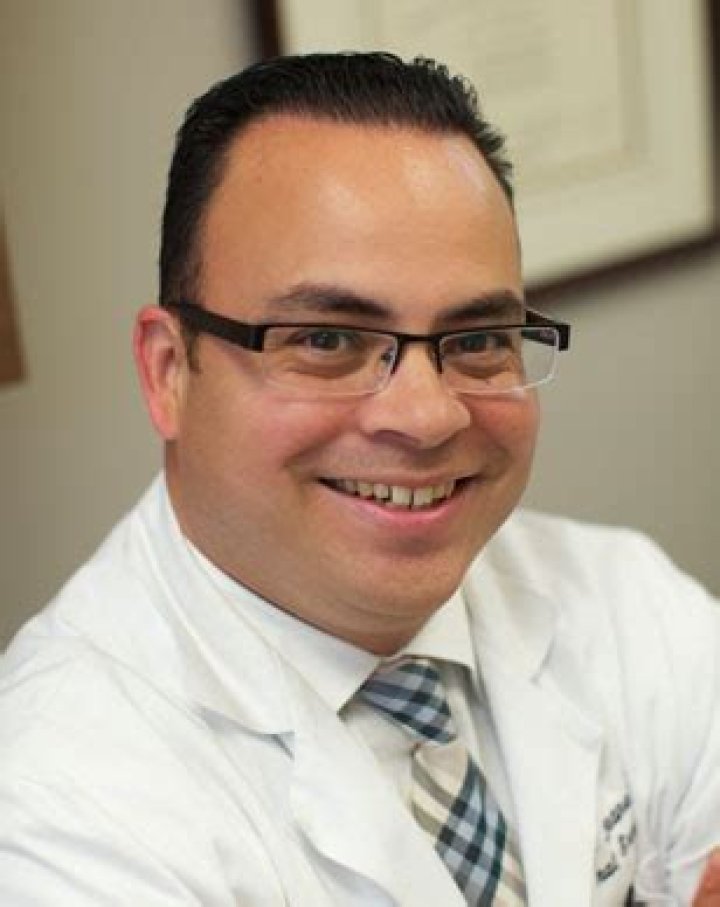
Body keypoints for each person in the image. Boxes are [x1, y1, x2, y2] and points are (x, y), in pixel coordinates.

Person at [0, 52, 718, 906]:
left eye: (478, 339)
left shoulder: (628, 600)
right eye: (327, 339)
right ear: (168, 372)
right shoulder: (51, 805)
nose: (427, 416)